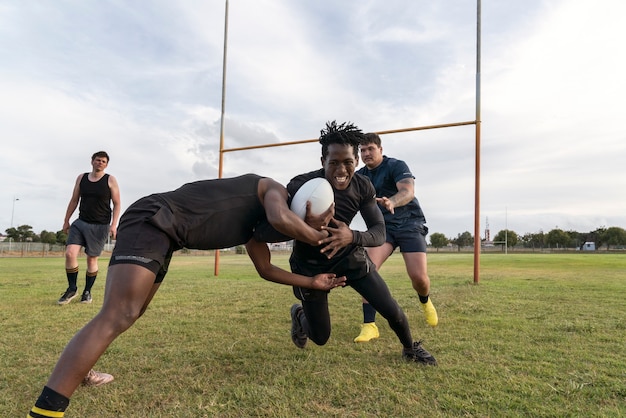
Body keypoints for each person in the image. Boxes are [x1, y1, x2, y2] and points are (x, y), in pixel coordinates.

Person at [28, 174, 347, 417]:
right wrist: (318, 235)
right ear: (300, 209)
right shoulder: (272, 190)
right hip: (152, 218)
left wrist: (311, 282)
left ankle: (81, 370)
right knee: (119, 314)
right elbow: (282, 219)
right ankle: (46, 409)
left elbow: (265, 269)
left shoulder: (257, 226)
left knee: (132, 312)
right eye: (306, 224)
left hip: (165, 234)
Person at [263, 121, 437, 366]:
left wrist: (351, 236)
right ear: (323, 160)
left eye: (348, 162)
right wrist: (303, 224)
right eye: (333, 162)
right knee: (320, 337)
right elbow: (277, 221)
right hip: (310, 264)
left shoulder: (363, 185)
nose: (341, 169)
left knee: (389, 307)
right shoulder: (300, 185)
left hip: (348, 257)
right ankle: (299, 313)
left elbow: (378, 232)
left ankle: (410, 348)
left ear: (356, 161)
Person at [353, 132, 438, 343]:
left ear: (380, 150)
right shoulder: (360, 176)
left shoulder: (396, 166)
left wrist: (391, 201)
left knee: (419, 278)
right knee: (367, 269)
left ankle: (425, 301)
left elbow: (408, 191)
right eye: (362, 150)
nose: (366, 154)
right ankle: (369, 325)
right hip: (382, 228)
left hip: (410, 223)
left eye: (370, 149)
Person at [59, 151, 121, 305]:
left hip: (100, 226)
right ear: (92, 161)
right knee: (70, 253)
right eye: (98, 160)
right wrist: (66, 220)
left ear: (106, 165)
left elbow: (117, 203)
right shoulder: (81, 178)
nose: (100, 163)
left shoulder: (110, 180)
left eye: (104, 161)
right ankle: (72, 288)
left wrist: (114, 224)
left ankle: (87, 292)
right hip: (81, 222)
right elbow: (74, 200)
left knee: (91, 259)